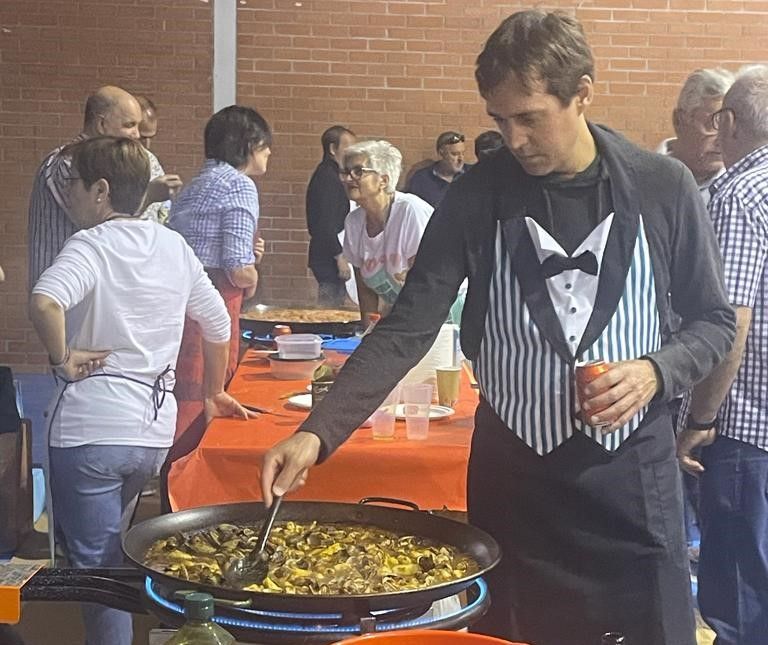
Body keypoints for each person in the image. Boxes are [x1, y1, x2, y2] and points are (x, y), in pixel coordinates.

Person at [260, 10, 736, 645]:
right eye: (499, 119)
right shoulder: (477, 195)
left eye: (530, 117)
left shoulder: (661, 185)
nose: (513, 138)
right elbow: (408, 326)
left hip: (631, 482)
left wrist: (657, 371)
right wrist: (317, 434)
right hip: (514, 477)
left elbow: (712, 321)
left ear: (583, 93)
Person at [28, 136, 254, 645]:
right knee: (117, 556)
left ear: (102, 191)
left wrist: (63, 360)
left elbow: (45, 301)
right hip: (151, 433)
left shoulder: (89, 244)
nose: (72, 198)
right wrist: (214, 389)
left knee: (96, 570)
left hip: (91, 429)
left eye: (76, 187)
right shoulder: (171, 243)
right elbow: (218, 322)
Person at [676, 65, 768, 645]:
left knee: (738, 595)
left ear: (728, 122)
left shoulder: (738, 195)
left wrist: (700, 418)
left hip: (744, 432)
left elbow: (728, 322)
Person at [169, 105, 270, 439]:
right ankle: (192, 483)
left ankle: (172, 479)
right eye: (264, 144)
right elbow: (238, 270)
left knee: (182, 394)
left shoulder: (195, 185)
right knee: (204, 396)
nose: (269, 151)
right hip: (213, 302)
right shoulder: (239, 185)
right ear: (248, 144)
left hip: (179, 299)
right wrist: (253, 272)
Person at [27, 86, 181, 290]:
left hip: (105, 291)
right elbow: (104, 227)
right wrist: (149, 195)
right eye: (129, 125)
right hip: (64, 295)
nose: (137, 134)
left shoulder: (125, 160)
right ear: (101, 123)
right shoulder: (69, 162)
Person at [340, 140, 433, 320]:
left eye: (358, 171)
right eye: (345, 172)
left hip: (442, 315)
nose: (348, 179)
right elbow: (365, 288)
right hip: (405, 314)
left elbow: (425, 281)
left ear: (383, 180)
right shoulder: (353, 222)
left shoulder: (410, 211)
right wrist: (368, 333)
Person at [658, 68, 734, 206]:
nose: (722, 139)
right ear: (679, 121)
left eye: (730, 126)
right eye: (714, 123)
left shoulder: (739, 190)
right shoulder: (640, 177)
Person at [306, 125, 356, 307]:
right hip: (328, 254)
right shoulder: (327, 178)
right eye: (348, 147)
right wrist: (339, 256)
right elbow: (325, 222)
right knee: (330, 307)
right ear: (333, 149)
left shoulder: (333, 175)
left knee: (336, 303)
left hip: (330, 250)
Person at [135, 94, 180, 224]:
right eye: (141, 138)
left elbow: (163, 210)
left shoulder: (150, 159)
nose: (147, 145)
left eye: (150, 138)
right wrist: (149, 195)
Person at [405, 130, 470, 207]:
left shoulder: (473, 174)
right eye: (455, 154)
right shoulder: (421, 179)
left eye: (463, 153)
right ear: (441, 153)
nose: (461, 159)